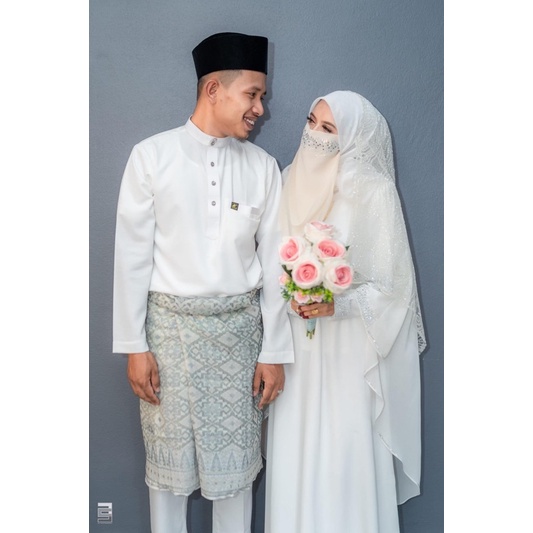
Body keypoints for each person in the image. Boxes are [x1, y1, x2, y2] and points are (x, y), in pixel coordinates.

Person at [112, 32, 294, 533]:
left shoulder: (262, 168)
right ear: (214, 89)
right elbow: (131, 258)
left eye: (261, 96)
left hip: (240, 341)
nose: (260, 108)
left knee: (235, 482)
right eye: (252, 94)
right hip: (168, 339)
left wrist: (274, 352)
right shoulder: (151, 157)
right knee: (168, 482)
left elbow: (276, 265)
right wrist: (134, 346)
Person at [264, 91, 427, 533]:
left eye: (329, 129)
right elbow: (267, 262)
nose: (314, 135)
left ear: (354, 138)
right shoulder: (288, 178)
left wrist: (338, 304)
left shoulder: (372, 191)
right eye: (311, 122)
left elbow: (394, 289)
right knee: (298, 446)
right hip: (297, 348)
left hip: (350, 353)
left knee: (344, 453)